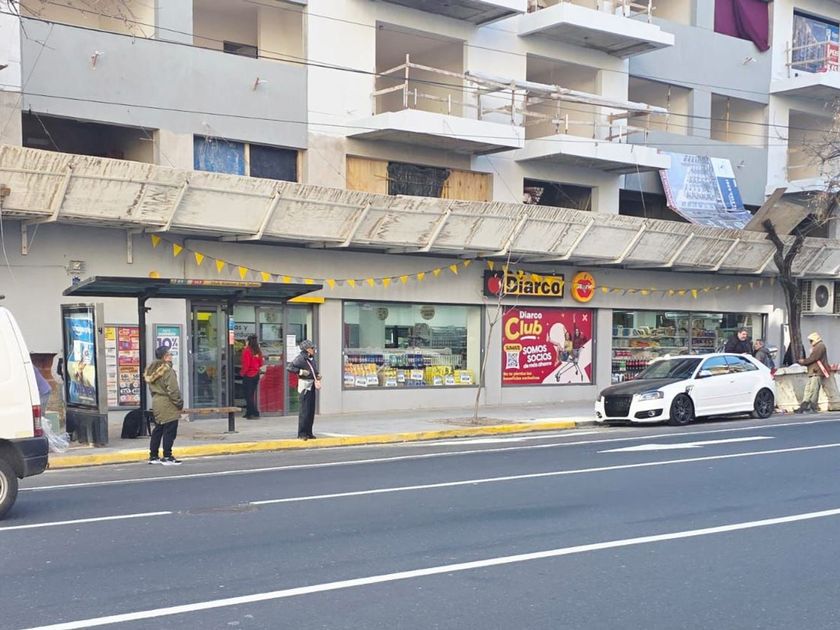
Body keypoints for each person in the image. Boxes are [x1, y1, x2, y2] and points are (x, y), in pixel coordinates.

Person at [145, 346, 184, 465]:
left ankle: (153, 455)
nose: (171, 356)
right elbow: (173, 390)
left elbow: (152, 389)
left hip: (157, 401)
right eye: (170, 354)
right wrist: (179, 403)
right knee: (170, 429)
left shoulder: (151, 370)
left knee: (158, 429)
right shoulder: (167, 370)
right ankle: (167, 456)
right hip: (167, 402)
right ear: (165, 356)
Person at [288, 339, 321, 440]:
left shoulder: (311, 358)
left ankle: (309, 432)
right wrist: (300, 372)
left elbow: (313, 370)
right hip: (304, 386)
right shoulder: (300, 358)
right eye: (312, 348)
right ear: (307, 349)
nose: (314, 349)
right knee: (304, 410)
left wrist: (317, 375)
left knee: (310, 410)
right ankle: (302, 433)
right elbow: (290, 367)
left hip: (312, 385)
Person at [796, 332, 832, 414]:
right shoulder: (817, 346)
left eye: (811, 340)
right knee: (808, 390)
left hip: (816, 371)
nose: (810, 342)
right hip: (813, 372)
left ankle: (812, 407)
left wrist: (803, 361)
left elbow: (814, 358)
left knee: (814, 390)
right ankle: (804, 407)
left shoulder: (820, 346)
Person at [240, 335, 264, 419]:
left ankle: (254, 412)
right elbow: (261, 363)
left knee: (248, 395)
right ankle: (249, 412)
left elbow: (246, 364)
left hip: (248, 375)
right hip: (256, 375)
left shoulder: (247, 351)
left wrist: (242, 373)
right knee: (251, 394)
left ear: (248, 341)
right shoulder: (257, 351)